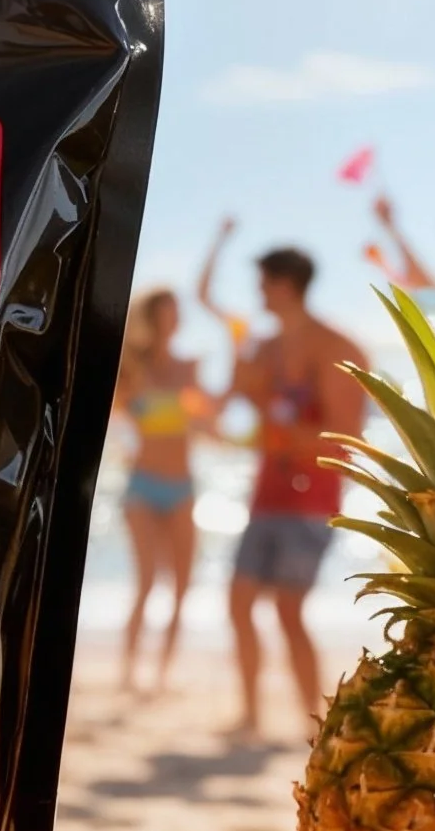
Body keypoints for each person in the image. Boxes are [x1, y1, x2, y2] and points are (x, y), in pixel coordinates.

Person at [199, 222, 367, 737]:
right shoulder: (266, 348)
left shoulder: (337, 345)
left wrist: (286, 433)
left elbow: (346, 435)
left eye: (264, 284)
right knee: (239, 603)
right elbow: (232, 402)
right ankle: (250, 715)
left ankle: (311, 722)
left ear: (284, 284)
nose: (258, 294)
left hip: (312, 499)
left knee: (289, 611)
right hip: (266, 495)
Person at [112, 287, 211, 694]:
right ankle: (129, 671)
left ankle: (162, 673)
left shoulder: (189, 369)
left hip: (182, 486)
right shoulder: (132, 371)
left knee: (183, 585)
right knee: (148, 580)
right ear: (151, 320)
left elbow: (206, 420)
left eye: (177, 312)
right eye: (167, 312)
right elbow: (113, 413)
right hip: (143, 486)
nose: (174, 319)